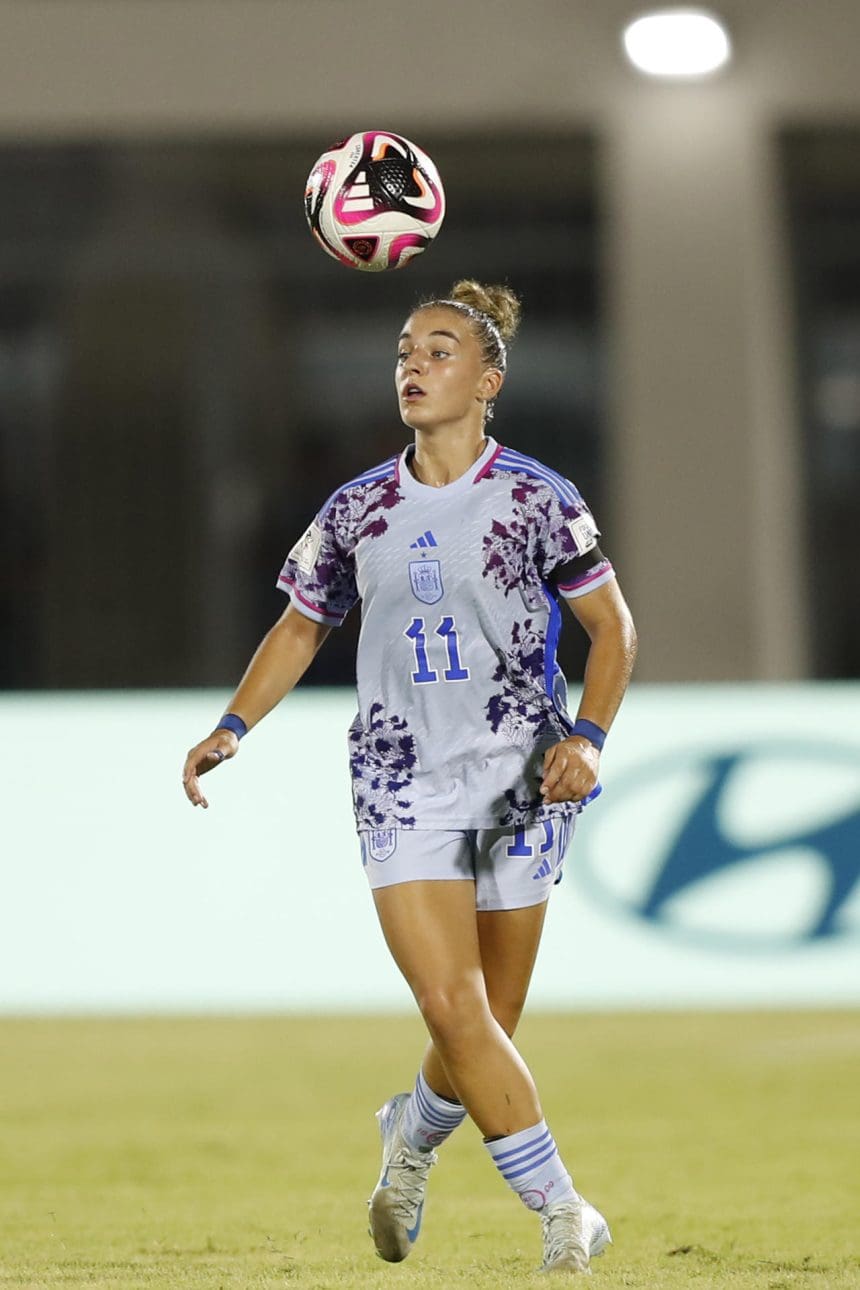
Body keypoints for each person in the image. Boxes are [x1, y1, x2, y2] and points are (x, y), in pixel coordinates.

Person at [182, 280, 637, 1274]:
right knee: (450, 1006)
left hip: (522, 776)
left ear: (488, 381)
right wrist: (232, 725)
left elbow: (612, 629)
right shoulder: (358, 508)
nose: (413, 367)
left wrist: (590, 738)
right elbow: (300, 626)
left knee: (489, 1023)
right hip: (400, 777)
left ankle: (412, 1138)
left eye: (438, 351)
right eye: (403, 352)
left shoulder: (538, 497)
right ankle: (564, 1210)